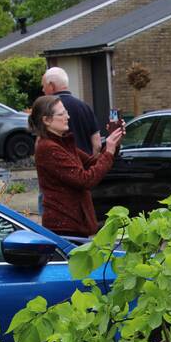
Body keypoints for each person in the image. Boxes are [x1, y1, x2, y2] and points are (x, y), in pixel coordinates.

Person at [30, 95, 123, 238]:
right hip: (65, 226)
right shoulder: (48, 148)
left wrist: (113, 144)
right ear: (46, 120)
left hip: (76, 224)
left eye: (66, 112)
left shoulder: (62, 143)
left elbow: (92, 162)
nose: (67, 117)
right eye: (61, 114)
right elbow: (85, 179)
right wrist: (109, 152)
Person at [42, 66, 107, 155]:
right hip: (85, 165)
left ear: (51, 86)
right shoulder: (85, 107)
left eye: (43, 86)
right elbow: (97, 144)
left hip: (59, 164)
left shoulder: (46, 109)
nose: (42, 90)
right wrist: (90, 163)